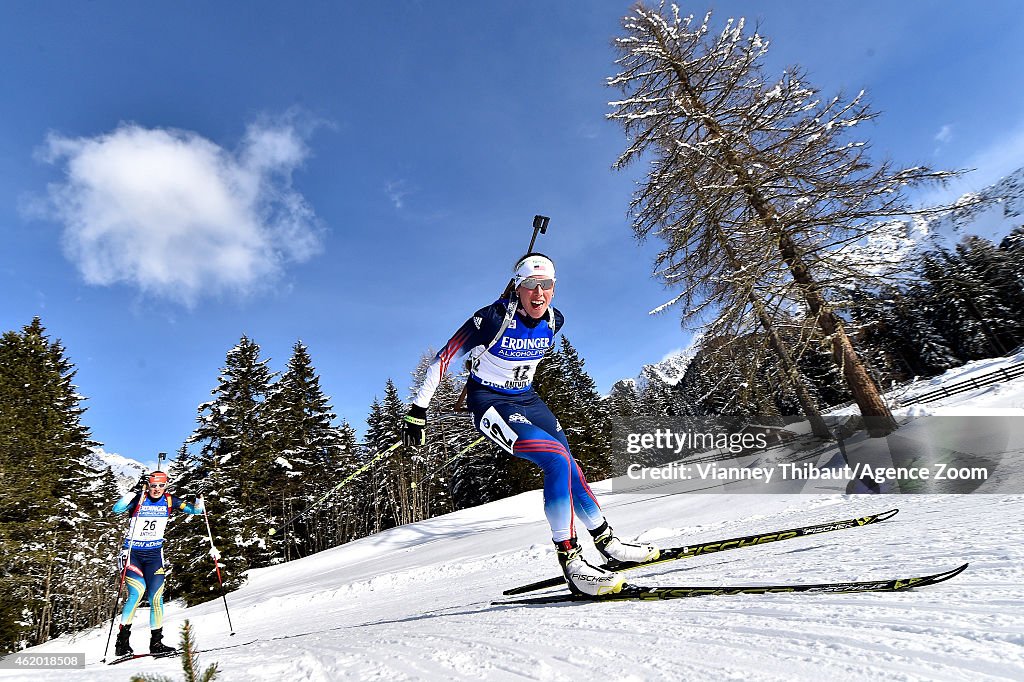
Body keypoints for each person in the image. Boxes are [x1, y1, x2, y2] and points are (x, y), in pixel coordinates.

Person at [402, 253, 659, 596]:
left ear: (554, 288)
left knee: (571, 468)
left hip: (529, 400)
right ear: (517, 287)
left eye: (546, 285)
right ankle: (571, 561)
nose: (538, 293)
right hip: (491, 403)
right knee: (554, 459)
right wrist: (418, 409)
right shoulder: (490, 319)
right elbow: (443, 358)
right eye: (529, 285)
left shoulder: (555, 320)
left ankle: (607, 544)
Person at [111, 470, 220, 656]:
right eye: (153, 485)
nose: (157, 489)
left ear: (166, 485)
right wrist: (133, 491)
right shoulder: (139, 498)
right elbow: (117, 509)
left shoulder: (170, 501)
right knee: (137, 592)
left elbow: (196, 510)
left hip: (154, 555)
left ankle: (156, 643)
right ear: (149, 485)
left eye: (161, 486)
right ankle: (122, 643)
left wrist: (199, 497)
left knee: (156, 597)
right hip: (132, 553)